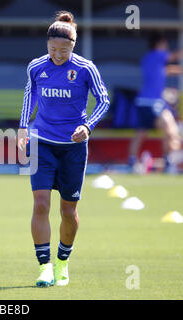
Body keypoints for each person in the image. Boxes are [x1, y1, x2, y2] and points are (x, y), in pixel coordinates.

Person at [17, 11, 109, 287]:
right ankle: (44, 266)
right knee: (41, 203)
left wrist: (88, 126)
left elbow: (103, 101)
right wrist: (23, 127)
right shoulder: (36, 66)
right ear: (47, 45)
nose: (57, 54)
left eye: (64, 49)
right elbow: (29, 93)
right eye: (53, 48)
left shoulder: (85, 68)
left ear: (74, 45)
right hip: (42, 143)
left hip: (73, 148)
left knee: (68, 211)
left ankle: (62, 261)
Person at [128, 33, 183, 171]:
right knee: (170, 129)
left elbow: (165, 71)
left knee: (142, 133)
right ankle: (168, 160)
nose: (166, 48)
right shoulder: (158, 55)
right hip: (153, 103)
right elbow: (174, 57)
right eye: (165, 45)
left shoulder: (149, 59)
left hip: (143, 102)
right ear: (159, 44)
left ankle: (132, 160)